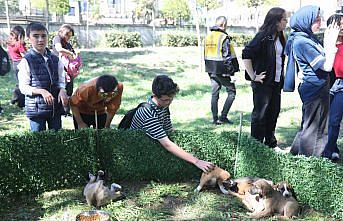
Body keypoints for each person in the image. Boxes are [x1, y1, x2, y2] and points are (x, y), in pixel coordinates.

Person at [284, 6, 340, 157]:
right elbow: (327, 66)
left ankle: (296, 155)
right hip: (315, 89)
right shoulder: (302, 42)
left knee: (309, 125)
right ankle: (309, 164)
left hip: (316, 87)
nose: (320, 23)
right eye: (316, 20)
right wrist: (331, 43)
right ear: (305, 21)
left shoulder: (306, 38)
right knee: (315, 129)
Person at [130, 75, 214, 173]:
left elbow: (169, 131)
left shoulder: (163, 106)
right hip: (138, 152)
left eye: (171, 99)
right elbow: (167, 144)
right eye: (165, 100)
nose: (168, 103)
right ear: (155, 95)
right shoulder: (147, 112)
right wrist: (196, 161)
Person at [242, 7, 287, 148]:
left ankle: (270, 144)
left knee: (273, 113)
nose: (286, 22)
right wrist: (253, 76)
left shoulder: (280, 36)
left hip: (276, 83)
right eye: (284, 19)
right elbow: (246, 54)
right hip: (263, 83)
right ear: (276, 21)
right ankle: (256, 146)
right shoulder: (262, 36)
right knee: (260, 115)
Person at [18, 22, 68, 132]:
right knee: (38, 142)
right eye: (36, 36)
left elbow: (61, 79)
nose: (40, 39)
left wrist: (62, 90)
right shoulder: (26, 61)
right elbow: (23, 87)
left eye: (43, 36)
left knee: (56, 140)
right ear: (29, 38)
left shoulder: (55, 59)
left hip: (55, 108)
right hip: (36, 109)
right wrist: (41, 91)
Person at [204, 16, 239, 125]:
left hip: (210, 69)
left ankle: (215, 119)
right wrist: (231, 72)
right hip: (222, 70)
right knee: (232, 92)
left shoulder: (208, 36)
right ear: (224, 25)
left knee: (215, 94)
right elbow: (227, 56)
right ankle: (223, 117)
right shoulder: (224, 37)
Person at [322, 14, 343, 160]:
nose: (342, 28)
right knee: (324, 119)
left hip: (341, 85)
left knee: (335, 120)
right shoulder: (324, 44)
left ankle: (329, 151)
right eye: (339, 24)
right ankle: (330, 147)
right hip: (326, 85)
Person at [52, 24, 78, 97]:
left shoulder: (68, 44)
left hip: (69, 71)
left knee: (69, 90)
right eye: (67, 35)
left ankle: (67, 105)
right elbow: (59, 49)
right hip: (59, 69)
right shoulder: (57, 38)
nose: (69, 38)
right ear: (62, 32)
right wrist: (69, 53)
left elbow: (74, 56)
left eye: (70, 36)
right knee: (61, 89)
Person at [7, 25, 27, 107]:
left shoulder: (10, 44)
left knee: (18, 83)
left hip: (14, 64)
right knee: (22, 83)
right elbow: (25, 55)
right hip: (21, 63)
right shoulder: (19, 44)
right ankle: (21, 103)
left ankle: (14, 99)